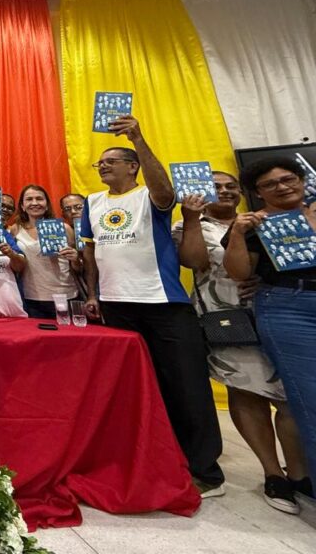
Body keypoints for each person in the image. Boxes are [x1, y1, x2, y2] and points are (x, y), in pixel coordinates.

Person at [81, 115, 224, 497]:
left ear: (133, 167)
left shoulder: (149, 195)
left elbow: (165, 194)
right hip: (116, 306)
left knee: (186, 386)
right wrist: (93, 294)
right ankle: (153, 454)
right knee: (135, 386)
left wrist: (137, 139)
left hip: (162, 302)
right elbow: (91, 254)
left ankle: (205, 470)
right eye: (99, 163)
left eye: (111, 161)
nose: (103, 166)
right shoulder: (92, 203)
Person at [176, 173, 310, 513]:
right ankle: (272, 473)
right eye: (215, 187)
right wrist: (191, 219)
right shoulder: (190, 224)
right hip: (225, 316)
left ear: (242, 191)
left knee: (291, 396)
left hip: (280, 311)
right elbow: (194, 262)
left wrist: (264, 280)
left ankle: (299, 474)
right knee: (246, 391)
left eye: (230, 186)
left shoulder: (266, 220)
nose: (223, 191)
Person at [224, 156, 316, 491]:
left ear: (302, 180)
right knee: (310, 398)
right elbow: (239, 273)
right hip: (288, 308)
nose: (282, 186)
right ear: (258, 192)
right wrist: (237, 232)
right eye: (270, 184)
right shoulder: (255, 224)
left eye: (288, 179)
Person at [9, 185, 81, 319]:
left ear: (47, 205)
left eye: (39, 199)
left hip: (65, 294)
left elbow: (78, 268)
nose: (34, 203)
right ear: (22, 206)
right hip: (31, 297)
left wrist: (75, 259)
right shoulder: (15, 229)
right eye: (29, 199)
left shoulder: (64, 228)